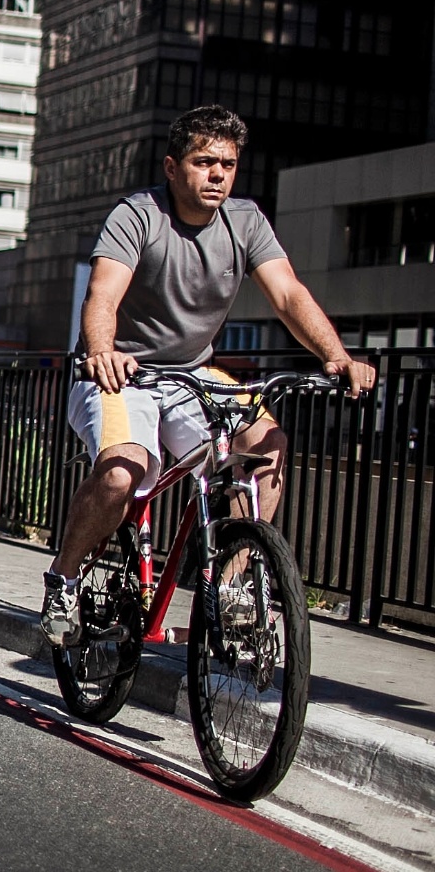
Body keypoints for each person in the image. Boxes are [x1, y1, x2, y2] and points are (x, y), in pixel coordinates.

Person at [41, 105, 375, 646]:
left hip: (193, 373)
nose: (217, 174)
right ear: (173, 167)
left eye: (228, 163)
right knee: (123, 473)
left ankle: (233, 586)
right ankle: (64, 576)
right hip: (119, 374)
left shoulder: (245, 221)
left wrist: (335, 355)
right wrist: (102, 351)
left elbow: (288, 294)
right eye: (204, 162)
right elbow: (102, 294)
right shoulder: (138, 215)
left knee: (265, 445)